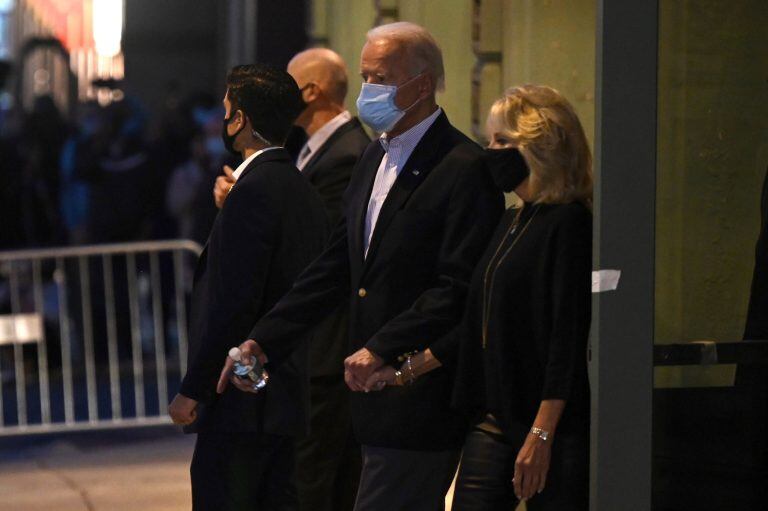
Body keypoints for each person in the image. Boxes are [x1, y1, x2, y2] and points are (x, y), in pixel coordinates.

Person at [218, 22, 504, 511]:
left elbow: (457, 286)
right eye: (366, 75)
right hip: (366, 395)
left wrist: (382, 347)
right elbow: (337, 265)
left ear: (421, 84)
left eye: (381, 78)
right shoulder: (374, 155)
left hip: (417, 391)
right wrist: (263, 339)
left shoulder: (463, 166)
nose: (368, 90)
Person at [366, 85, 594, 511]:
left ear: (539, 148)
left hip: (545, 420)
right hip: (492, 414)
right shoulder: (511, 219)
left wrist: (541, 434)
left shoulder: (569, 224)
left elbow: (567, 337)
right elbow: (477, 323)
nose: (490, 152)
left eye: (502, 142)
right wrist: (403, 372)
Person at [168, 64, 328, 511]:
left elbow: (232, 302)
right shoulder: (299, 187)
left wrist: (193, 389)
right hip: (283, 398)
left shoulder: (254, 190)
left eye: (226, 110)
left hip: (239, 400)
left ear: (240, 119)